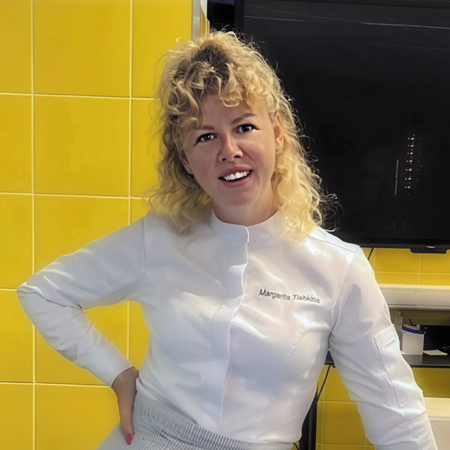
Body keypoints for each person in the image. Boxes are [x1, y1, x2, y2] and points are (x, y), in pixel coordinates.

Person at [16, 30, 437, 450]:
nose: (229, 150)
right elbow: (44, 293)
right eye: (205, 136)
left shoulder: (338, 269)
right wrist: (119, 374)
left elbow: (397, 416)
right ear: (185, 158)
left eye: (244, 127)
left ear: (277, 134)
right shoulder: (159, 238)